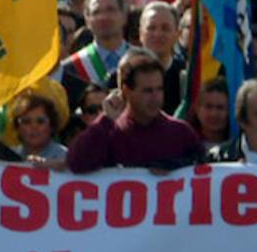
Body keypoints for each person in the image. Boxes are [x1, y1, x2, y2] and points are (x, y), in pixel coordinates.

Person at [66, 51, 203, 173]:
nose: (155, 97)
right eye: (147, 91)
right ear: (126, 91)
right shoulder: (110, 133)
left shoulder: (181, 132)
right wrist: (105, 120)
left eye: (159, 89)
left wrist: (175, 168)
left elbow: (204, 170)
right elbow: (76, 163)